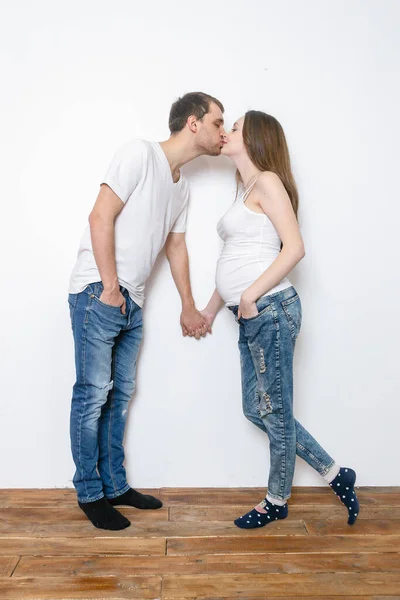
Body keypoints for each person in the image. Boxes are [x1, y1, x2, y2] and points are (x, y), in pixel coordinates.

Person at [68, 92, 225, 529]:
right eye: (217, 122)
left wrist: (189, 307)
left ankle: (115, 486)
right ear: (193, 123)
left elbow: (176, 247)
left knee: (119, 397)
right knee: (92, 394)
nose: (222, 131)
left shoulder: (182, 186)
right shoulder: (139, 153)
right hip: (99, 292)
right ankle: (90, 492)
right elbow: (101, 216)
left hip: (132, 302)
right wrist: (111, 288)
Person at [201, 110, 359, 528]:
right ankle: (335, 473)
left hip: (269, 309)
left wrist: (250, 294)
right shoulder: (245, 188)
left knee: (273, 409)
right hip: (252, 314)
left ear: (252, 138)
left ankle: (276, 500)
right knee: (258, 409)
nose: (226, 132)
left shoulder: (268, 182)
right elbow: (236, 259)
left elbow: (295, 248)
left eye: (233, 128)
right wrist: (210, 309)